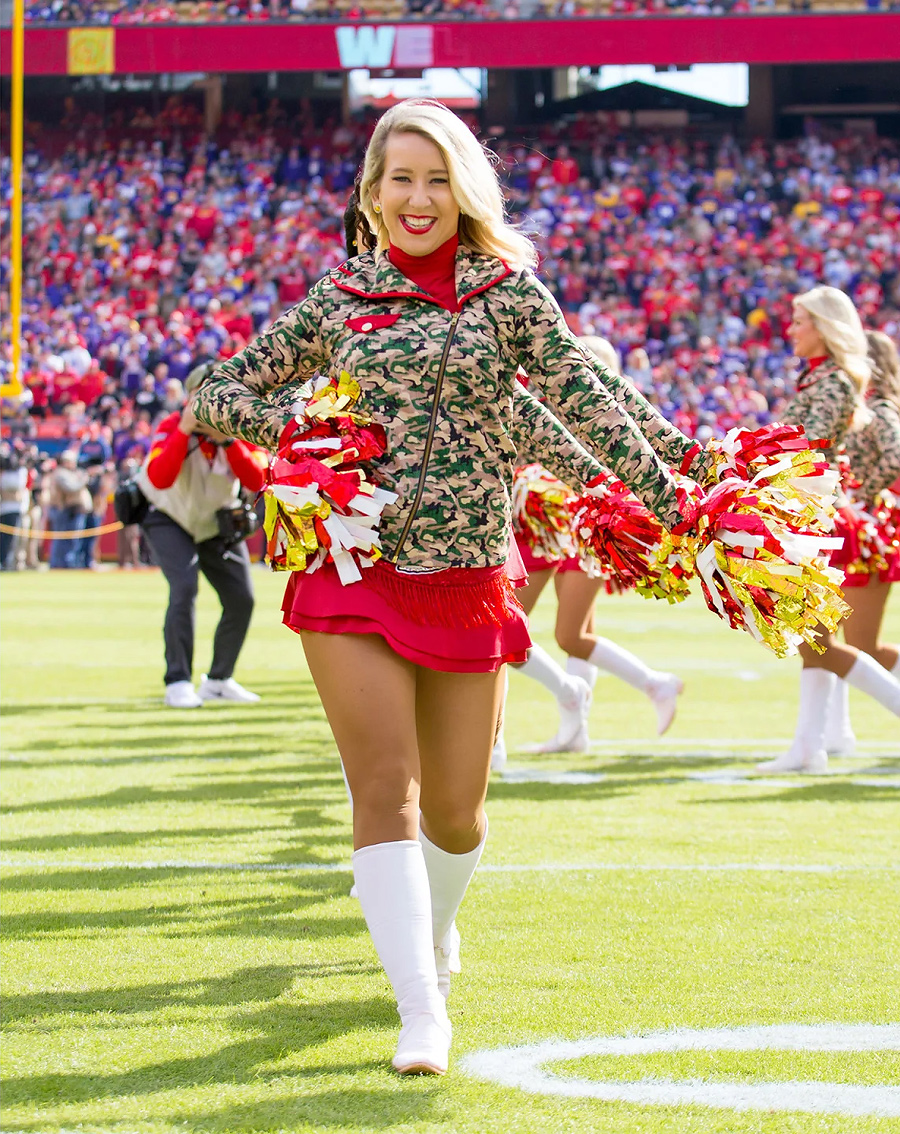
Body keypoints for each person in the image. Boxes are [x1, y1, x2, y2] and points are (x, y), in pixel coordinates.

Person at [193, 99, 712, 1077]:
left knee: (457, 815)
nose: (419, 198)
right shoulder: (336, 300)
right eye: (401, 179)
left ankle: (434, 932)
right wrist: (294, 428)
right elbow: (214, 391)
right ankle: (420, 1009)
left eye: (438, 180)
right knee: (383, 787)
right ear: (372, 193)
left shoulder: (511, 297)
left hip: (470, 574)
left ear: (464, 189)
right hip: (350, 569)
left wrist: (685, 484)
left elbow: (588, 406)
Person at [508, 335, 684, 758]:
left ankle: (645, 686)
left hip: (584, 528)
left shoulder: (608, 419)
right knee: (539, 631)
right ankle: (579, 727)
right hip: (551, 524)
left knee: (557, 633)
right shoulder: (550, 408)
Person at [756, 288, 900, 775]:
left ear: (823, 326)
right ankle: (808, 748)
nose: (791, 329)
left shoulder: (834, 381)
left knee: (821, 639)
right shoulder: (820, 378)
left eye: (799, 320)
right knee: (812, 639)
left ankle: (811, 747)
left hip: (814, 518)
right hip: (807, 513)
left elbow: (807, 448)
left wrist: (751, 468)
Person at [139, 363, 267, 709]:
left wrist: (229, 442)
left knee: (242, 597)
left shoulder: (240, 432)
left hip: (214, 523)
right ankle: (178, 681)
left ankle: (219, 679)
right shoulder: (170, 426)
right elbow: (160, 478)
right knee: (184, 587)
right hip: (170, 517)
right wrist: (183, 430)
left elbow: (259, 481)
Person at [823, 329, 900, 754]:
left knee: (860, 643)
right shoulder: (859, 408)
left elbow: (895, 455)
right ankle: (836, 734)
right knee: (829, 637)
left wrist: (861, 495)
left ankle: (836, 733)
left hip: (868, 531)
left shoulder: (882, 408)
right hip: (855, 527)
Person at [46, 451, 90, 569]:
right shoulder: (61, 473)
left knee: (72, 539)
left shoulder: (71, 473)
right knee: (62, 538)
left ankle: (67, 563)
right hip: (63, 509)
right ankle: (59, 564)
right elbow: (71, 488)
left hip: (72, 509)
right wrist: (83, 479)